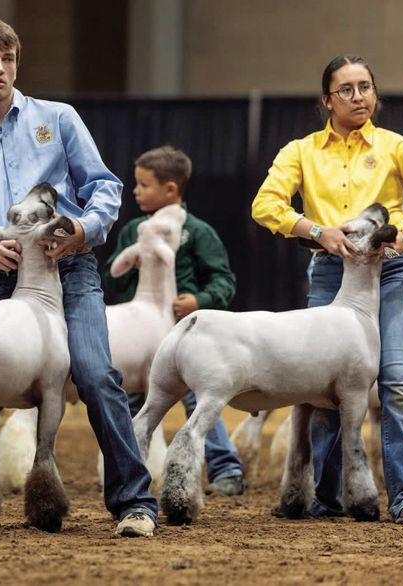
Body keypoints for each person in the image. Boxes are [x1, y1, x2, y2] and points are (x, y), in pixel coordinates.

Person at [0, 17, 158, 537]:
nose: (0, 68)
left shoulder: (58, 118)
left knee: (96, 375)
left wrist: (81, 227)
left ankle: (134, 502)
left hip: (70, 267)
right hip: (0, 282)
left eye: (8, 59)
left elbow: (104, 186)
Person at [251, 55, 403, 526]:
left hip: (396, 267)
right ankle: (327, 497)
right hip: (332, 269)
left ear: (376, 94)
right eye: (346, 89)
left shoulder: (394, 146)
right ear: (326, 100)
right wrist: (315, 230)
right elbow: (265, 205)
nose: (358, 97)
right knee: (320, 384)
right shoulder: (301, 151)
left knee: (396, 378)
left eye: (365, 87)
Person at [101, 145, 244, 496]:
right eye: (136, 184)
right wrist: (127, 266)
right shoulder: (135, 230)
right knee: (131, 403)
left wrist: (200, 299)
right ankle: (128, 472)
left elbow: (223, 280)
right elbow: (112, 277)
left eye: (144, 185)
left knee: (200, 399)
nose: (136, 191)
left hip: (190, 338)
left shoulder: (197, 232)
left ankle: (225, 468)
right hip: (144, 336)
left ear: (171, 189)